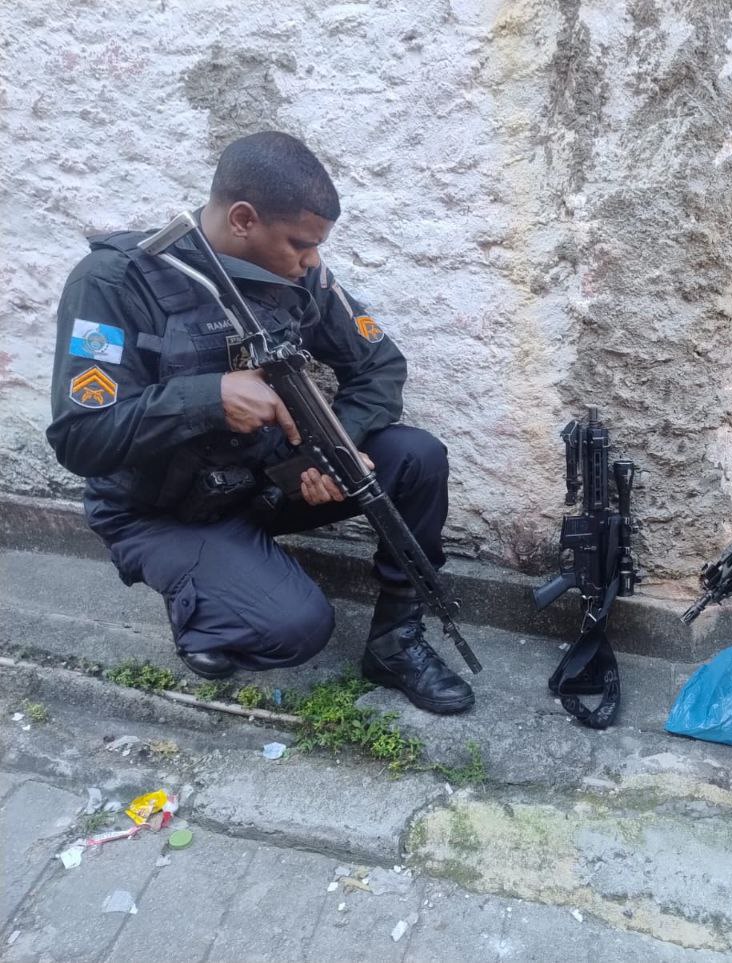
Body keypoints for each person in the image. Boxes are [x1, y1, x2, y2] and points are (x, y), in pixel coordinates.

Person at [46, 131, 474, 715]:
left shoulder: (303, 281)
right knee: (294, 629)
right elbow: (81, 439)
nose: (313, 261)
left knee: (417, 456)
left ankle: (396, 643)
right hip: (163, 511)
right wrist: (208, 398)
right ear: (244, 219)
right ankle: (206, 609)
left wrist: (330, 450)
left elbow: (378, 365)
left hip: (266, 480)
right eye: (300, 243)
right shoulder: (116, 281)